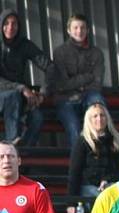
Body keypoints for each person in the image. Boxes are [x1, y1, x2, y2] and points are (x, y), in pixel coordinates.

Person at [0, 9, 57, 147]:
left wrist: (43, 93)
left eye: (14, 24)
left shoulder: (24, 44)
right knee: (12, 96)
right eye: (6, 23)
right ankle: (10, 148)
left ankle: (25, 157)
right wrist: (21, 88)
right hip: (5, 95)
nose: (10, 27)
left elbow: (50, 67)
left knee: (37, 118)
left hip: (19, 97)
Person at [52, 13, 106, 149]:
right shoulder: (60, 52)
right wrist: (86, 77)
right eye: (75, 28)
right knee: (74, 127)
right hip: (65, 99)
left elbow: (97, 83)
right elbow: (62, 84)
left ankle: (103, 151)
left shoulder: (97, 53)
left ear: (88, 30)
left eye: (82, 28)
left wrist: (77, 85)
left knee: (97, 101)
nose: (79, 31)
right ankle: (78, 165)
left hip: (88, 96)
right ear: (69, 30)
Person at [67, 102, 119, 200]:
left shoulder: (117, 140)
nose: (99, 119)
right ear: (89, 120)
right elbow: (75, 172)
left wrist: (108, 180)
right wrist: (71, 202)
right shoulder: (82, 141)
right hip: (89, 187)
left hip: (111, 185)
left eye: (102, 115)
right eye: (95, 116)